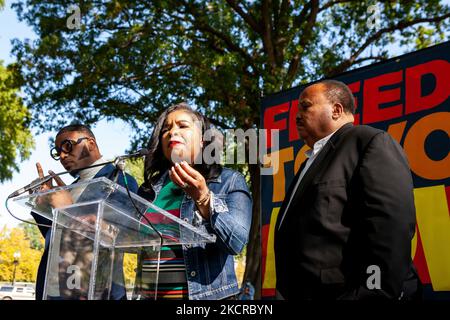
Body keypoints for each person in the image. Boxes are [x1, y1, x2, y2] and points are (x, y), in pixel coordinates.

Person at [274, 80, 420, 300]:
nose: (296, 116)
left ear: (336, 110)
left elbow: (390, 228)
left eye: (305, 106)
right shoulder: (309, 163)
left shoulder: (369, 142)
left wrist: (373, 293)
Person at [134, 103, 252, 300]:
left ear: (203, 141)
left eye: (182, 126)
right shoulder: (146, 190)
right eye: (166, 128)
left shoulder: (229, 181)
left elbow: (236, 242)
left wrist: (204, 199)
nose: (172, 132)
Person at [31, 124, 138, 300]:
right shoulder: (68, 189)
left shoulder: (120, 180)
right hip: (53, 291)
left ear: (90, 143)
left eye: (67, 146)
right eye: (58, 152)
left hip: (95, 291)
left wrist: (67, 210)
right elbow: (56, 241)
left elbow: (116, 238)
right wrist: (42, 206)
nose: (62, 156)